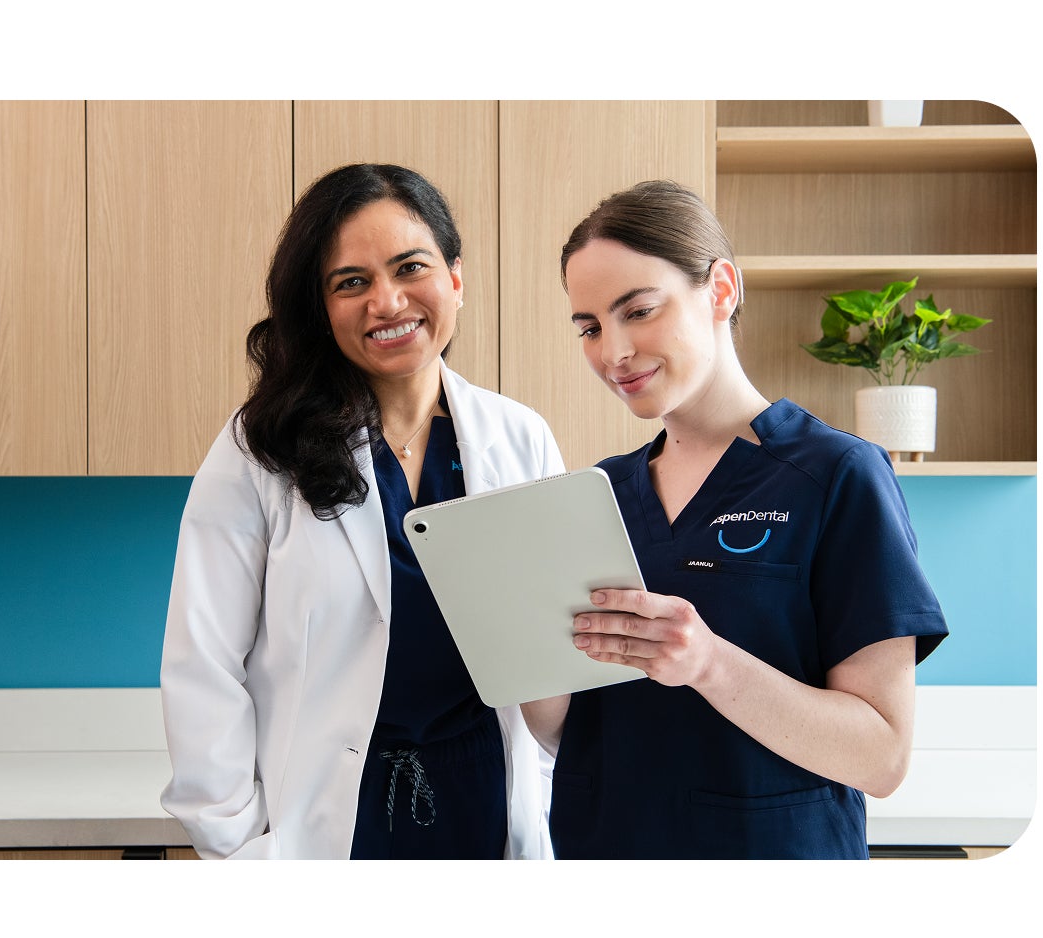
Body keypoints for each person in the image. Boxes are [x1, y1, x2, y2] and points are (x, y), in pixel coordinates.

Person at [522, 180, 949, 859]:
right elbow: (574, 737)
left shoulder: (837, 475)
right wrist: (517, 651)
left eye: (638, 310)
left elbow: (882, 756)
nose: (614, 351)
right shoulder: (598, 493)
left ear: (720, 290)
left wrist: (708, 663)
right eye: (591, 327)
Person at [160, 163, 564, 859]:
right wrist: (239, 845)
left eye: (411, 267)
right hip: (325, 826)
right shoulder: (258, 450)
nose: (387, 301)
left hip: (485, 808)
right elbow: (203, 664)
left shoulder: (518, 438)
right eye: (352, 282)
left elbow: (555, 657)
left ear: (456, 279)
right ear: (321, 308)